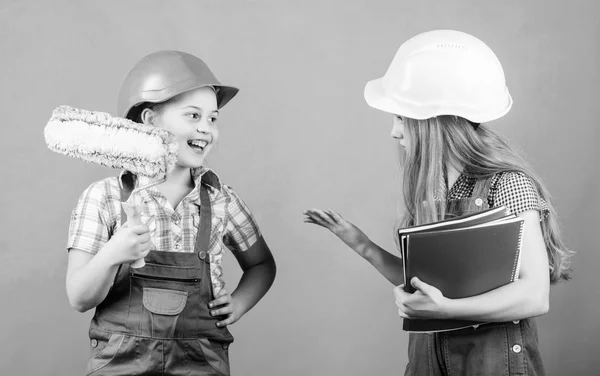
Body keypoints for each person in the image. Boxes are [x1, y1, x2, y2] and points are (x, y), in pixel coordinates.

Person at [304, 30, 572, 376]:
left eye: (401, 117)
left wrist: (445, 309)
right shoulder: (432, 192)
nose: (394, 131)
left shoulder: (508, 185)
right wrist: (362, 244)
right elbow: (426, 287)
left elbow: (534, 295)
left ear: (435, 121)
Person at [66, 50, 276, 375]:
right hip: (120, 364)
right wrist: (112, 254)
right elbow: (79, 299)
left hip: (201, 363)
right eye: (193, 116)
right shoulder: (104, 198)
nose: (206, 128)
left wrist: (239, 303)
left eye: (213, 118)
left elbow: (262, 265)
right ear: (150, 121)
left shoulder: (221, 200)